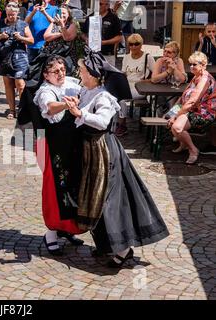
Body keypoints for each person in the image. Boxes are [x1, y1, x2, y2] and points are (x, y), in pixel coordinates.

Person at [62, 49, 169, 267]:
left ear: (92, 74)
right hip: (89, 150)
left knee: (108, 200)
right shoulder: (85, 91)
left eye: (82, 70)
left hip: (103, 152)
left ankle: (123, 249)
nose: (80, 73)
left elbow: (101, 122)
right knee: (93, 198)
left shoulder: (104, 97)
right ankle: (106, 245)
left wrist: (79, 113)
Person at [32, 55, 85, 254]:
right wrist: (67, 105)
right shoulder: (45, 91)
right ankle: (51, 233)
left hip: (69, 145)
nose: (61, 73)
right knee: (54, 188)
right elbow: (50, 107)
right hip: (50, 146)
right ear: (46, 75)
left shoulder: (70, 83)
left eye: (62, 69)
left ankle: (66, 227)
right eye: (56, 71)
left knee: (71, 185)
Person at [167, 51, 216, 164]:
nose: (191, 67)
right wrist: (171, 113)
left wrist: (175, 116)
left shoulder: (204, 79)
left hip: (205, 112)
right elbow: (183, 98)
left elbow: (192, 102)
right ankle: (183, 144)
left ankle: (193, 150)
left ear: (203, 65)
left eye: (195, 64)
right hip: (192, 110)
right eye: (190, 64)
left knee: (177, 127)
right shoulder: (196, 77)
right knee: (170, 120)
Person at [0, 1, 33, 119]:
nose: (10, 17)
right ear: (6, 12)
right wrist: (0, 36)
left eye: (13, 14)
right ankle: (12, 110)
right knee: (8, 84)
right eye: (9, 14)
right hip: (4, 57)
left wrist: (21, 38)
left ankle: (23, 108)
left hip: (20, 57)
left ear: (17, 12)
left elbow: (31, 40)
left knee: (20, 83)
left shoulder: (23, 24)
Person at [115, 33, 155, 136]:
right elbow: (123, 73)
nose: (133, 46)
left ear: (141, 44)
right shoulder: (126, 57)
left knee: (121, 97)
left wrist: (145, 81)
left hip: (140, 87)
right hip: (127, 85)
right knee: (113, 95)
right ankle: (117, 123)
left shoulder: (147, 57)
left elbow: (156, 75)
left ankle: (122, 125)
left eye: (136, 44)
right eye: (131, 44)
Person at [82, 0, 122, 66]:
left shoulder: (113, 18)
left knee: (109, 76)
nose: (99, 6)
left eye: (101, 4)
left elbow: (119, 37)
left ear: (107, 5)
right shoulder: (90, 17)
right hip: (92, 54)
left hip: (107, 55)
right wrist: (86, 39)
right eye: (98, 4)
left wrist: (104, 42)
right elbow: (83, 33)